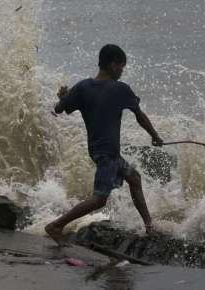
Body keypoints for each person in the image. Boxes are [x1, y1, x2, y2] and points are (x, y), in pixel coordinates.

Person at [44, 44, 164, 245]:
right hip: (107, 153)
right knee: (100, 198)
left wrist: (63, 96)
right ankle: (56, 226)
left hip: (102, 151)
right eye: (121, 67)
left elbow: (59, 108)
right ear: (112, 64)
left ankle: (149, 226)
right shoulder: (120, 89)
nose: (122, 71)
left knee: (134, 178)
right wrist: (155, 136)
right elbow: (139, 116)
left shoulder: (82, 87)